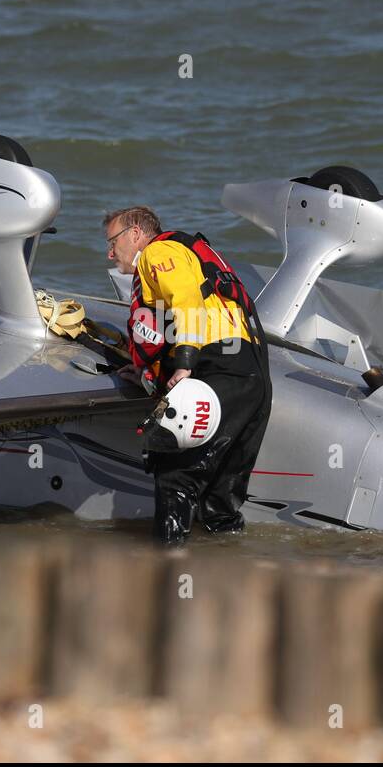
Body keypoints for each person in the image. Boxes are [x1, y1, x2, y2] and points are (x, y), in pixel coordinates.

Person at [103, 205, 272, 545]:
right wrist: (148, 373)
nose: (110, 253)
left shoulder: (158, 252)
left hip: (216, 369)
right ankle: (225, 567)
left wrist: (184, 362)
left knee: (175, 477)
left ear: (135, 234)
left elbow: (187, 302)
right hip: (252, 378)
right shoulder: (188, 253)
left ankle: (165, 575)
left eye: (113, 241)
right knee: (218, 501)